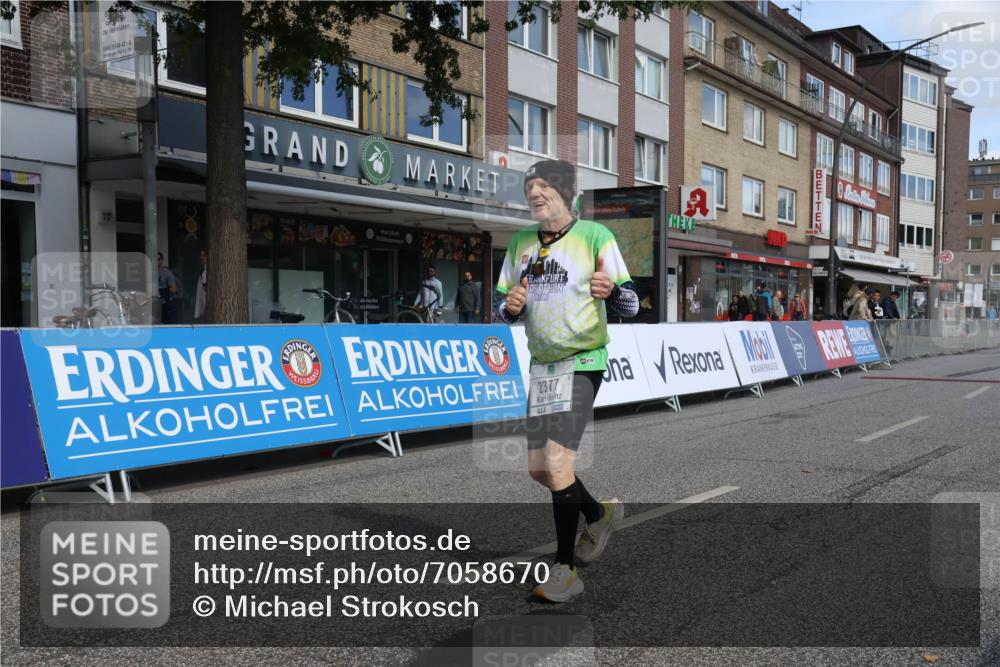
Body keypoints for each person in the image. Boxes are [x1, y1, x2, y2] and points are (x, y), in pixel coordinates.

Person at [496, 159, 638, 602]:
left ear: (565, 193)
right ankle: (598, 514)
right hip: (543, 366)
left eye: (543, 188)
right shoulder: (520, 243)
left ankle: (565, 571)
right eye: (529, 189)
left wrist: (612, 293)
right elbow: (501, 309)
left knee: (558, 465)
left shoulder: (596, 237)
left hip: (584, 360)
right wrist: (511, 308)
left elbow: (632, 305)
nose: (535, 195)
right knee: (541, 470)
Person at [158, 252, 178, 324]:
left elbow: (174, 289)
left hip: (164, 303)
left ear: (162, 260)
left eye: (158, 259)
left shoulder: (167, 273)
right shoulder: (149, 272)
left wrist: (164, 290)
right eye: (155, 259)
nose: (157, 262)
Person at [194, 249, 208, 322]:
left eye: (204, 255)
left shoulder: (207, 270)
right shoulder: (202, 269)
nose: (201, 258)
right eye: (201, 256)